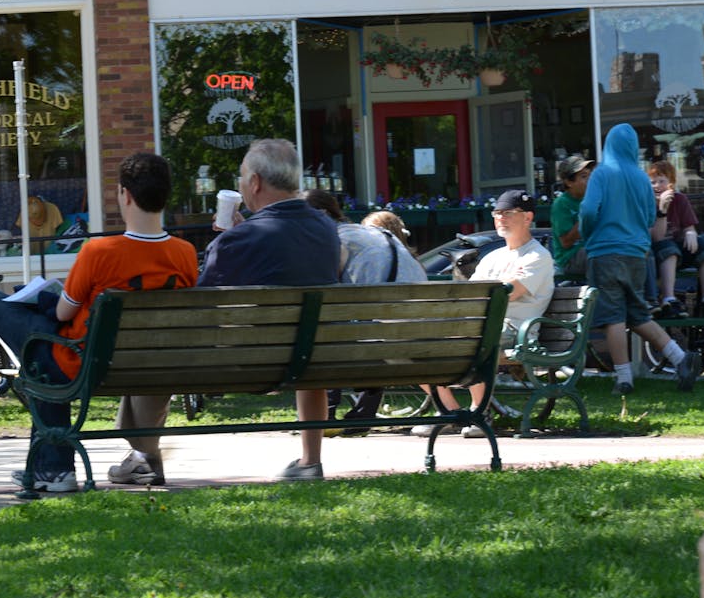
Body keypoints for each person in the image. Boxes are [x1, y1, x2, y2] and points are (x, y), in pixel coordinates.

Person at [0, 152, 197, 493]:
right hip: (148, 362)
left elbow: (64, 313)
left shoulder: (99, 251)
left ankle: (54, 470)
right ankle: (46, 468)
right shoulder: (184, 253)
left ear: (124, 194)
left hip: (83, 361)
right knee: (40, 354)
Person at [199, 139, 340, 480]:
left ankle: (145, 457)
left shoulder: (238, 239)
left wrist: (227, 238)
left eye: (242, 177)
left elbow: (201, 304)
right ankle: (311, 460)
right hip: (317, 356)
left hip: (249, 360)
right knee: (308, 339)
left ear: (256, 182)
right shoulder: (327, 229)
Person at [413, 189, 554, 439]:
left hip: (516, 329)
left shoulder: (538, 256)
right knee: (417, 341)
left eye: (508, 213)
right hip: (482, 323)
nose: (500, 218)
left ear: (528, 217)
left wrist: (483, 296)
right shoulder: (493, 256)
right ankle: (451, 413)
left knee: (473, 338)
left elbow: (507, 294)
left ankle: (480, 412)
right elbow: (473, 294)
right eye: (497, 213)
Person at [580, 124, 701, 395]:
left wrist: (588, 233)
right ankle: (681, 359)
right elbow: (650, 218)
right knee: (638, 314)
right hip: (637, 254)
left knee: (613, 318)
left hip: (605, 252)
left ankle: (624, 379)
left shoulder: (602, 174)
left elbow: (588, 210)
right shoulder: (639, 177)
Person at [302, 191, 427, 434]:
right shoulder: (376, 233)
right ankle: (360, 415)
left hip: (383, 340)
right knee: (366, 326)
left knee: (323, 330)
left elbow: (327, 290)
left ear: (321, 216)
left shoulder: (334, 240)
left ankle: (324, 415)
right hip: (422, 337)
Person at [647, 159, 704, 316]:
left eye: (661, 181)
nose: (657, 186)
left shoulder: (680, 199)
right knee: (669, 248)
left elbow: (689, 227)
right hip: (655, 254)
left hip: (676, 251)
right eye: (653, 182)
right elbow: (657, 237)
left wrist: (691, 233)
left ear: (671, 183)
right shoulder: (646, 202)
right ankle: (668, 299)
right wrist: (662, 210)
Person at [550, 155, 596, 283]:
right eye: (583, 176)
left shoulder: (592, 199)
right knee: (601, 254)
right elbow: (566, 242)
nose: (589, 180)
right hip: (570, 257)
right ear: (569, 182)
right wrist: (586, 214)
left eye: (589, 175)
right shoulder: (561, 204)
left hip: (590, 248)